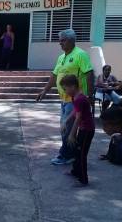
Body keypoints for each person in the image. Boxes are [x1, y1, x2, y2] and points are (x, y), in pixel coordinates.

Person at [36, 29, 94, 165]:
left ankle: (66, 155)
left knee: (66, 127)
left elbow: (89, 74)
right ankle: (71, 153)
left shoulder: (80, 55)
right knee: (65, 127)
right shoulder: (61, 57)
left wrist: (90, 95)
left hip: (75, 100)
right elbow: (54, 75)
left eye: (63, 40)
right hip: (64, 99)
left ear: (72, 40)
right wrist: (44, 90)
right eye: (60, 40)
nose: (60, 43)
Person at [60, 75, 95, 185]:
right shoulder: (75, 97)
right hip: (83, 128)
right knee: (76, 151)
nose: (65, 92)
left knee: (81, 154)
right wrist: (66, 120)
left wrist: (72, 134)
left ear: (73, 86)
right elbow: (75, 112)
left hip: (87, 130)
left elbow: (78, 117)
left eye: (66, 89)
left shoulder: (79, 99)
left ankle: (83, 179)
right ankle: (75, 171)